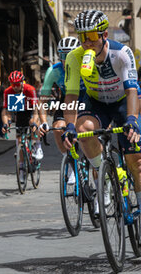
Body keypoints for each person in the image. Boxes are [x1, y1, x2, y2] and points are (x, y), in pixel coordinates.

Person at [61, 10, 141, 245]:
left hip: (124, 102)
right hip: (97, 103)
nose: (86, 43)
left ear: (104, 34)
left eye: (91, 36)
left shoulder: (121, 53)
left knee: (137, 162)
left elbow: (132, 90)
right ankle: (102, 177)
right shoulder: (74, 57)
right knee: (84, 130)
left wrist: (133, 119)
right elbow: (71, 94)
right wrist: (70, 125)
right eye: (81, 37)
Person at [39, 37, 85, 184]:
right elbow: (43, 100)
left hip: (86, 98)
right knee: (58, 129)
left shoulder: (87, 67)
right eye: (64, 56)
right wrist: (44, 122)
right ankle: (70, 161)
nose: (67, 59)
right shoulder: (53, 71)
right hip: (67, 98)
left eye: (71, 55)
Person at [2, 71, 43, 182]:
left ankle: (37, 145)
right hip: (19, 112)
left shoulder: (30, 89)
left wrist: (34, 122)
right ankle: (21, 169)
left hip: (30, 110)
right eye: (12, 84)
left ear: (22, 82)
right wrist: (6, 124)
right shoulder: (8, 92)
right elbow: (6, 111)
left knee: (33, 123)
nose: (15, 87)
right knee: (20, 140)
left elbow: (35, 110)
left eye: (17, 84)